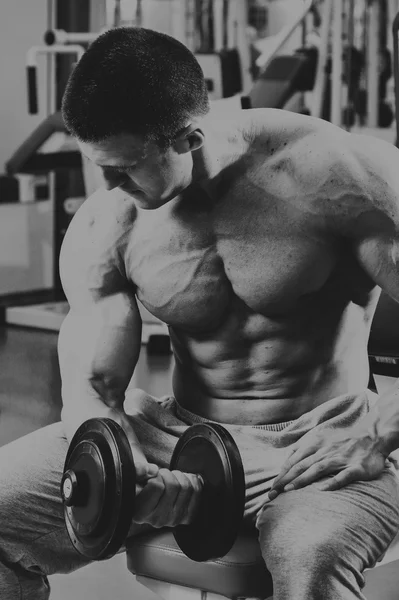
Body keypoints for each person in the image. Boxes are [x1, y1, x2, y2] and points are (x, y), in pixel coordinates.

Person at [1, 26, 399, 600]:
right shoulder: (109, 222)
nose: (108, 185)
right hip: (178, 436)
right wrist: (126, 459)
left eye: (126, 168)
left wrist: (381, 430)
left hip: (318, 443)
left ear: (189, 139)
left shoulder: (342, 179)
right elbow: (91, 385)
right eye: (99, 166)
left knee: (311, 551)